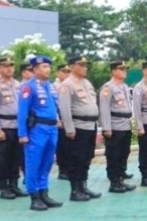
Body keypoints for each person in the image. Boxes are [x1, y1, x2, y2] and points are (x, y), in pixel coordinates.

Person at [17, 55, 63, 211]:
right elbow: (22, 111)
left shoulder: (49, 86)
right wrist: (22, 134)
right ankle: (34, 196)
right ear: (35, 69)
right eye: (44, 67)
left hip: (51, 129)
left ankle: (44, 192)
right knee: (33, 163)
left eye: (49, 67)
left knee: (47, 162)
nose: (48, 69)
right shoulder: (28, 87)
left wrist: (57, 119)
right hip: (37, 129)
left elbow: (53, 106)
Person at [58, 55, 102, 201]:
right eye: (81, 65)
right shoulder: (67, 84)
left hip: (90, 126)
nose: (84, 67)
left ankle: (83, 186)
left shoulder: (87, 83)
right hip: (78, 127)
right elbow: (64, 109)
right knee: (76, 158)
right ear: (71, 67)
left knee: (86, 158)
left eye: (85, 65)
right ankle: (75, 190)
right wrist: (69, 128)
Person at [98, 60, 135, 193]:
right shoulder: (108, 88)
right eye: (121, 69)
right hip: (115, 126)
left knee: (123, 154)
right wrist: (107, 127)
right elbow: (104, 108)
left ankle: (120, 180)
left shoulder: (124, 87)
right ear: (114, 71)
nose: (124, 71)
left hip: (125, 125)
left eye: (125, 69)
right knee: (114, 154)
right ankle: (114, 182)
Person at [0, 56, 26, 200]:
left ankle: (14, 184)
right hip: (4, 126)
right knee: (2, 158)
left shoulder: (18, 85)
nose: (9, 68)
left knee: (16, 157)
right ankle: (4, 187)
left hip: (18, 126)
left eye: (11, 65)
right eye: (5, 65)